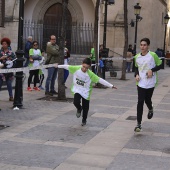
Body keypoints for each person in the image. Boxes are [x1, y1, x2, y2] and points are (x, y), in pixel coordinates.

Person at [58, 58, 117, 126]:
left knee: (86, 107)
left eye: (86, 68)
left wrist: (111, 85)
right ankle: (79, 108)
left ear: (89, 67)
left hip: (86, 92)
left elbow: (100, 80)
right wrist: (58, 66)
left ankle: (84, 120)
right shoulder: (76, 68)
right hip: (78, 89)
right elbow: (67, 66)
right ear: (82, 64)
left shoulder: (90, 74)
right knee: (76, 102)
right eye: (83, 66)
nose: (84, 69)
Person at [134, 38, 162, 132]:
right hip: (141, 83)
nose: (142, 47)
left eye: (144, 45)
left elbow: (160, 65)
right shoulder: (137, 57)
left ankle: (150, 108)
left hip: (151, 83)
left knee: (147, 100)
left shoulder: (153, 55)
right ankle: (138, 124)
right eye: (141, 45)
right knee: (140, 102)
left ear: (148, 46)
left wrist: (152, 70)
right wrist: (136, 75)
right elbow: (136, 68)